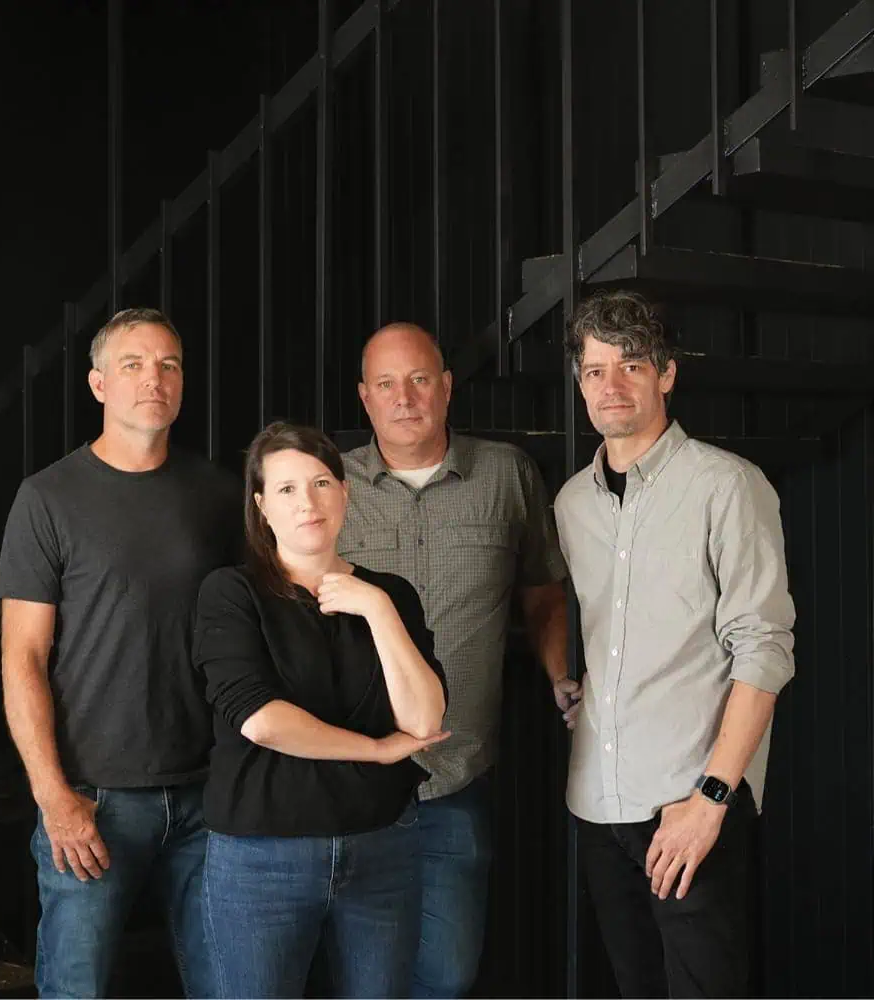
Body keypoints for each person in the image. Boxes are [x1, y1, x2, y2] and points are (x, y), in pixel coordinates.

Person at [554, 290, 796, 998]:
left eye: (632, 366)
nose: (612, 385)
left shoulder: (728, 486)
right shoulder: (572, 503)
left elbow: (764, 649)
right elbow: (607, 629)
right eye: (596, 370)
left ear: (666, 374)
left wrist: (712, 798)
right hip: (599, 805)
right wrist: (579, 688)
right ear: (579, 384)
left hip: (691, 803)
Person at [0, 307, 241, 998]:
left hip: (207, 797)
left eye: (169, 364)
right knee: (78, 989)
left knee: (229, 986)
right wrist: (53, 796)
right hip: (93, 802)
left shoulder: (219, 495)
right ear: (99, 384)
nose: (152, 380)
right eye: (132, 364)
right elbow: (23, 657)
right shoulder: (47, 498)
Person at [339, 322, 571, 998]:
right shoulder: (331, 483)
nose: (404, 397)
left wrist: (561, 677)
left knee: (447, 974)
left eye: (418, 380)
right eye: (386, 384)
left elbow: (543, 592)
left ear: (445, 387)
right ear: (365, 397)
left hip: (457, 779)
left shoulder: (505, 473)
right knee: (365, 980)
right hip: (353, 783)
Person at [194, 422, 449, 1000]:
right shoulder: (231, 593)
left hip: (382, 845)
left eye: (320, 483)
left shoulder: (391, 594)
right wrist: (378, 750)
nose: (307, 502)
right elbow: (260, 720)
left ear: (344, 493)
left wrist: (377, 609)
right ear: (260, 505)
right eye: (285, 489)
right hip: (262, 857)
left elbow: (426, 721)